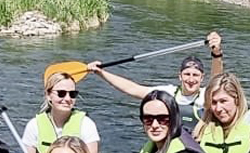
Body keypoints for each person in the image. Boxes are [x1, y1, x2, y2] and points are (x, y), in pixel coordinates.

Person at [86, 31, 223, 129]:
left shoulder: (205, 96)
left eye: (195, 75)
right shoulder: (168, 92)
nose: (191, 79)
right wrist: (101, 73)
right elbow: (132, 89)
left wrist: (216, 53)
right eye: (187, 74)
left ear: (202, 78)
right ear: (180, 76)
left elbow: (217, 80)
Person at [20, 69, 100, 153]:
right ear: (48, 95)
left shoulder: (87, 124)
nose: (67, 98)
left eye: (72, 94)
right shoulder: (34, 125)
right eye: (61, 93)